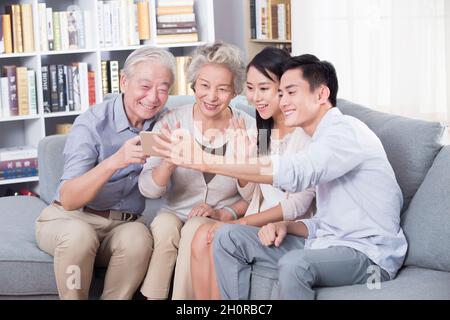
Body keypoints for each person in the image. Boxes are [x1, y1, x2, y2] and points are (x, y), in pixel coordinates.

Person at [153, 54, 408, 300]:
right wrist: (285, 225)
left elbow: (295, 172)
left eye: (291, 92)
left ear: (321, 94)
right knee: (227, 237)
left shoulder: (346, 132)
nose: (283, 101)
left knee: (295, 264)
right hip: (324, 243)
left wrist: (205, 160)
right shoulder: (313, 139)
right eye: (282, 93)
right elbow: (327, 225)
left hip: (370, 255)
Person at [35, 46, 176, 300]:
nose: (153, 97)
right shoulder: (92, 123)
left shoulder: (165, 123)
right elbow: (68, 199)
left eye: (163, 89)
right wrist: (115, 161)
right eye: (145, 86)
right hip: (72, 219)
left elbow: (205, 123)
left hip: (122, 225)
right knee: (80, 235)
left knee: (139, 238)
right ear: (124, 81)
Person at [190, 47, 315, 299]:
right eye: (250, 88)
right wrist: (243, 160)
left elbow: (298, 204)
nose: (255, 97)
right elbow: (251, 193)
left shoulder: (304, 136)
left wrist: (240, 223)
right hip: (256, 221)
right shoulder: (263, 131)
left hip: (285, 228)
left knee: (216, 236)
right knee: (200, 235)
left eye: (264, 88)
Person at [138, 42, 255, 300]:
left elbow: (253, 197)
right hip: (173, 212)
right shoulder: (170, 121)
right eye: (204, 86)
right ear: (193, 85)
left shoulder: (249, 127)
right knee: (165, 227)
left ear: (234, 91)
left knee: (195, 228)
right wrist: (168, 161)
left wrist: (242, 161)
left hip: (216, 216)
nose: (212, 97)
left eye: (222, 89)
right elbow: (148, 189)